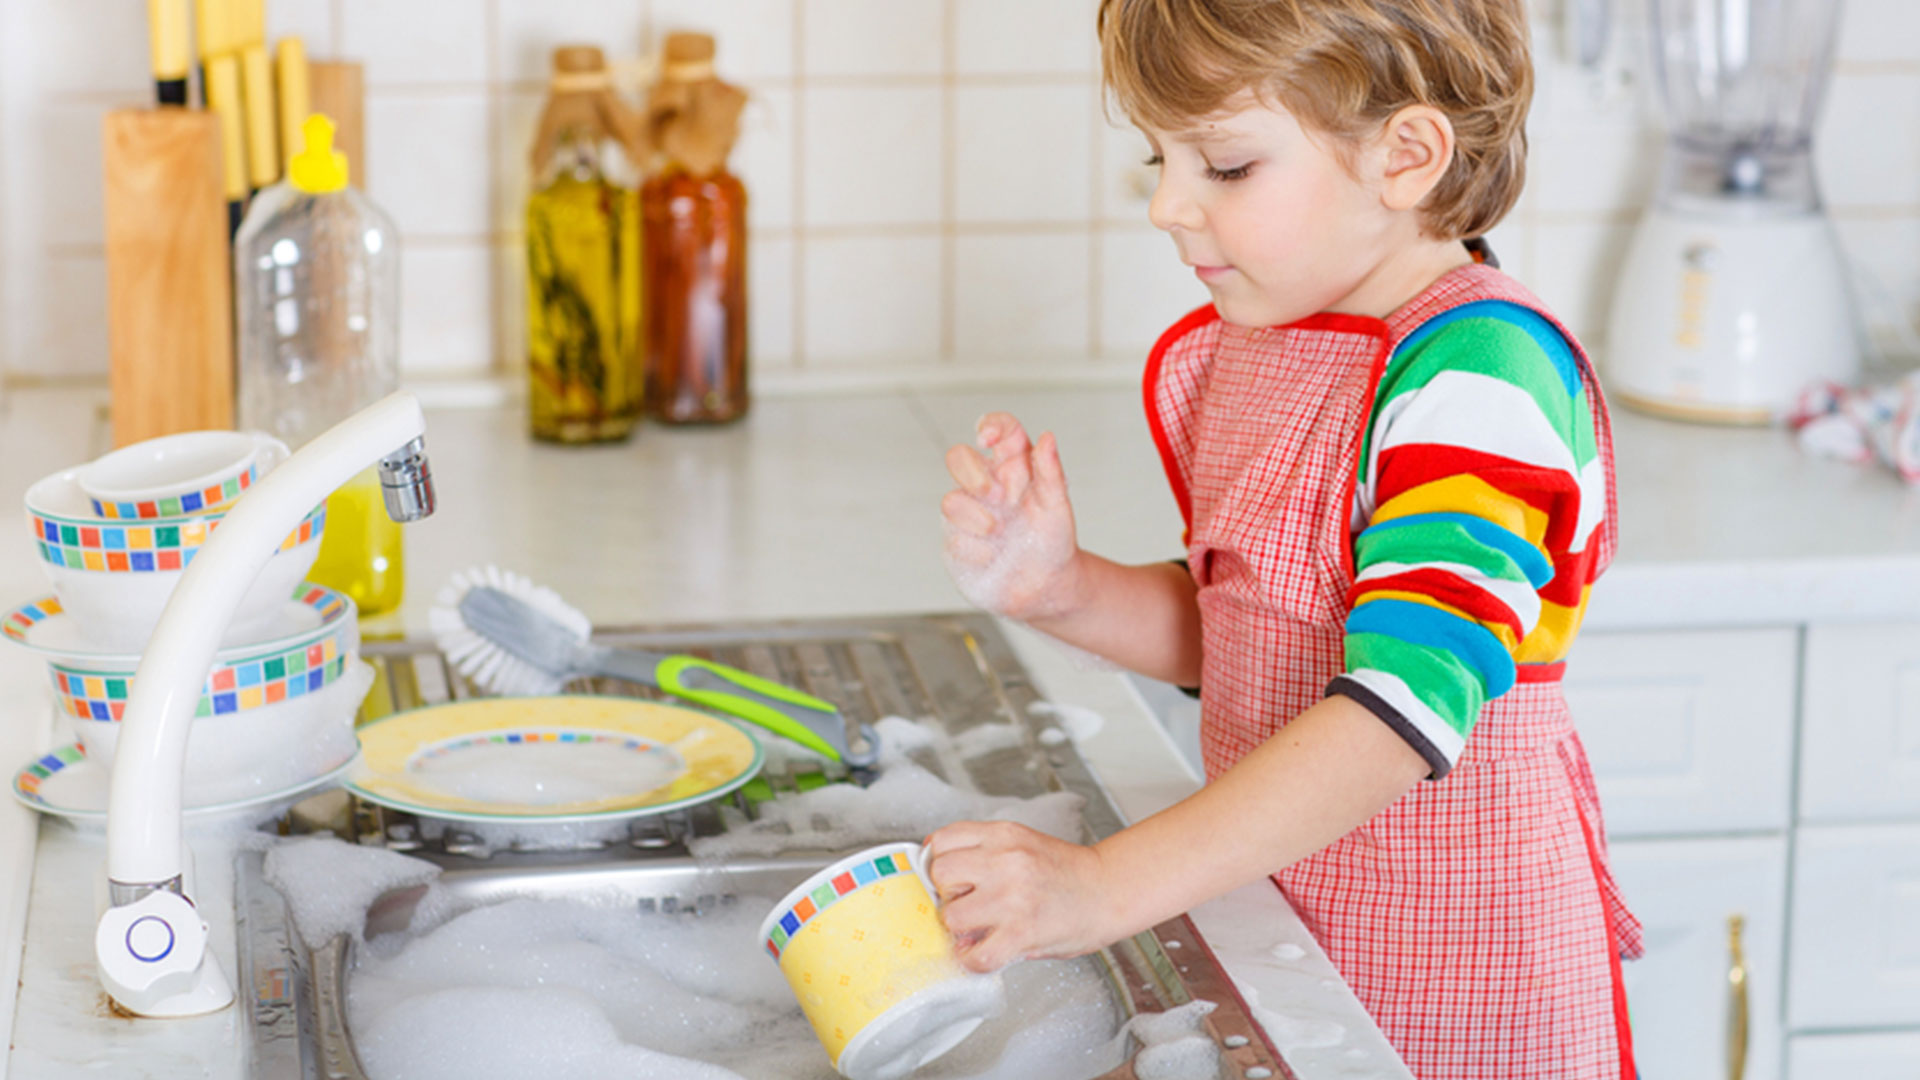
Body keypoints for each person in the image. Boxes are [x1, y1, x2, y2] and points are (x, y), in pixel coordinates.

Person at [924, 1, 1643, 1075]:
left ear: (1405, 156)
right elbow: (1264, 635)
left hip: (1455, 977)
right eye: (1158, 160)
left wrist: (1101, 887)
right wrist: (1062, 586)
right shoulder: (1280, 336)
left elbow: (1397, 711)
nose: (1169, 205)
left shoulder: (1479, 379)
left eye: (1224, 166)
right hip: (1294, 929)